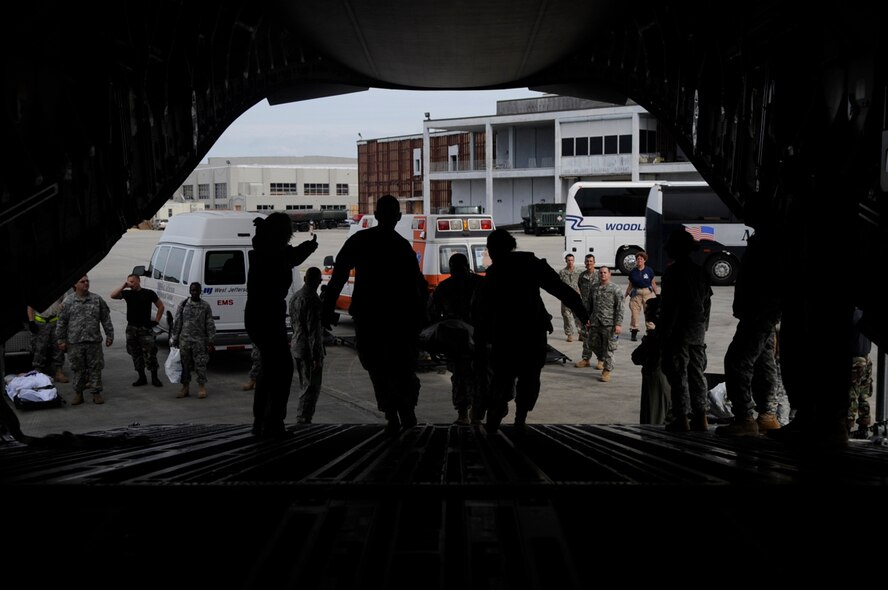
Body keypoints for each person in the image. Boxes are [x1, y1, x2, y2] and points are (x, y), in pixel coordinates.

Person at [321, 195, 428, 436]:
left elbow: (338, 274)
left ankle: (393, 415)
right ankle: (406, 411)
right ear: (398, 218)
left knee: (378, 368)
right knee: (402, 368)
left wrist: (327, 307)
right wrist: (422, 317)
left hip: (370, 319)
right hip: (400, 322)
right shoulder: (403, 247)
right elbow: (418, 286)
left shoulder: (361, 240)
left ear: (376, 216)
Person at [472, 229, 589, 434]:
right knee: (528, 378)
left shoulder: (495, 273)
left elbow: (482, 310)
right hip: (531, 334)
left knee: (502, 380)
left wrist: (481, 340)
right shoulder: (531, 265)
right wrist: (582, 312)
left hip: (505, 336)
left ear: (493, 250)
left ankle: (498, 418)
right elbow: (560, 289)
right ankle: (518, 419)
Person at [245, 212, 318, 437]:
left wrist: (309, 246)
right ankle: (274, 422)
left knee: (270, 368)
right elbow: (290, 256)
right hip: (266, 317)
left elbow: (292, 255)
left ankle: (262, 421)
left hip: (259, 317)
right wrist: (309, 246)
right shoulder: (272, 254)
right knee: (282, 370)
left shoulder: (267, 251)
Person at [715, 227, 783, 437]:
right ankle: (767, 415)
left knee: (737, 360)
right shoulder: (770, 239)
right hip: (764, 311)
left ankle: (744, 418)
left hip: (759, 311)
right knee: (764, 362)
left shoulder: (767, 242)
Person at [658, 229, 712, 432]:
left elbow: (671, 308)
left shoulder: (674, 273)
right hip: (697, 332)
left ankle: (682, 418)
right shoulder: (700, 272)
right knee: (697, 374)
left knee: (678, 373)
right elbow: (707, 304)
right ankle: (701, 416)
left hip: (679, 333)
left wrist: (664, 335)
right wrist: (702, 328)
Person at [427, 252, 482, 425]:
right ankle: (469, 413)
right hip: (468, 340)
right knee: (469, 376)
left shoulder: (446, 287)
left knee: (466, 376)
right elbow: (434, 315)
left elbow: (433, 316)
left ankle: (468, 413)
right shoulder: (479, 284)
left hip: (466, 339)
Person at [56, 275, 114, 405]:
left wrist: (109, 334)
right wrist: (60, 340)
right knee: (78, 369)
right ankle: (78, 393)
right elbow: (62, 323)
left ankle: (96, 393)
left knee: (96, 368)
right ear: (75, 285)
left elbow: (105, 318)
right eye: (82, 281)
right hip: (75, 342)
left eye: (87, 281)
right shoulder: (68, 302)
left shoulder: (96, 299)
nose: (86, 283)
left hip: (93, 341)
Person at [110, 273, 165, 387]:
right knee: (135, 353)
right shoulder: (127, 294)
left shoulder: (148, 293)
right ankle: (142, 377)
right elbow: (113, 295)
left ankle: (154, 377)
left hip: (145, 329)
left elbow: (160, 306)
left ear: (138, 281)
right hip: (131, 328)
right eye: (129, 281)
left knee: (151, 353)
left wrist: (157, 320)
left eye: (132, 281)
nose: (131, 284)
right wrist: (124, 286)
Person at [289, 266, 325, 425]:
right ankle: (304, 419)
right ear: (319, 281)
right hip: (309, 351)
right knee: (311, 386)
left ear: (305, 279)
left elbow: (293, 322)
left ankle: (303, 418)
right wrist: (317, 357)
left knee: (304, 383)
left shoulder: (295, 297)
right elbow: (314, 332)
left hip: (296, 345)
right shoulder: (313, 300)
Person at [171, 282, 216, 399]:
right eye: (192, 290)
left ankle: (201, 387)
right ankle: (185, 388)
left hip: (200, 341)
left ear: (200, 292)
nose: (194, 292)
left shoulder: (205, 306)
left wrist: (211, 340)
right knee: (185, 365)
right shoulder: (184, 304)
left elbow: (210, 323)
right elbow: (177, 322)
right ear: (190, 291)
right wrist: (174, 338)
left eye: (196, 290)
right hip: (185, 341)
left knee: (201, 364)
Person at [631, 297, 671, 424]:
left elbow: (636, 357)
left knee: (655, 417)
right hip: (661, 377)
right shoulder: (668, 332)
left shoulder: (656, 336)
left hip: (657, 377)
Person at [586, 266, 624, 382]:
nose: (603, 274)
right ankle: (601, 358)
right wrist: (587, 319)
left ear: (609, 274)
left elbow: (620, 308)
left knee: (609, 348)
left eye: (605, 273)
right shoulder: (594, 288)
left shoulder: (615, 289)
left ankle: (607, 370)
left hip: (609, 324)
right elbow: (589, 305)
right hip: (595, 322)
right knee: (592, 343)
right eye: (601, 273)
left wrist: (618, 324)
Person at [27, 294, 69, 383]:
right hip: (40, 324)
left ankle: (59, 372)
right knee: (39, 348)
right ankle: (38, 372)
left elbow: (66, 300)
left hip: (56, 323)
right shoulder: (37, 290)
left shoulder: (58, 289)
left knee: (58, 348)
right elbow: (30, 306)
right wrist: (31, 321)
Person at [847, 307, 873, 439]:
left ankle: (847, 426)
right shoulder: (864, 314)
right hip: (866, 357)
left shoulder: (851, 313)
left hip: (855, 359)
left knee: (851, 394)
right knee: (864, 394)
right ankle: (864, 425)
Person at [624, 251, 658, 341]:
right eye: (638, 259)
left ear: (644, 260)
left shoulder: (649, 270)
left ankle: (651, 332)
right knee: (635, 315)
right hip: (636, 294)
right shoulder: (633, 272)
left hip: (647, 294)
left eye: (641, 259)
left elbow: (653, 283)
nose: (639, 260)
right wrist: (625, 296)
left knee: (650, 314)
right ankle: (634, 332)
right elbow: (630, 285)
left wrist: (657, 294)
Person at [574, 253, 599, 368]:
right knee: (586, 334)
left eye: (591, 261)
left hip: (598, 310)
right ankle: (586, 359)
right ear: (585, 263)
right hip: (586, 310)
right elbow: (579, 286)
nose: (589, 263)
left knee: (599, 335)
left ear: (594, 262)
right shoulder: (582, 276)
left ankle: (601, 360)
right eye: (587, 261)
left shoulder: (599, 275)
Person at [558, 253, 583, 342]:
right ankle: (569, 334)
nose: (570, 262)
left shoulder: (579, 272)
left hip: (576, 298)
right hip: (566, 298)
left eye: (572, 260)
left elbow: (582, 284)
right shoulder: (562, 272)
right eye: (569, 260)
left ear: (574, 261)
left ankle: (581, 333)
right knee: (567, 316)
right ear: (566, 261)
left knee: (578, 316)